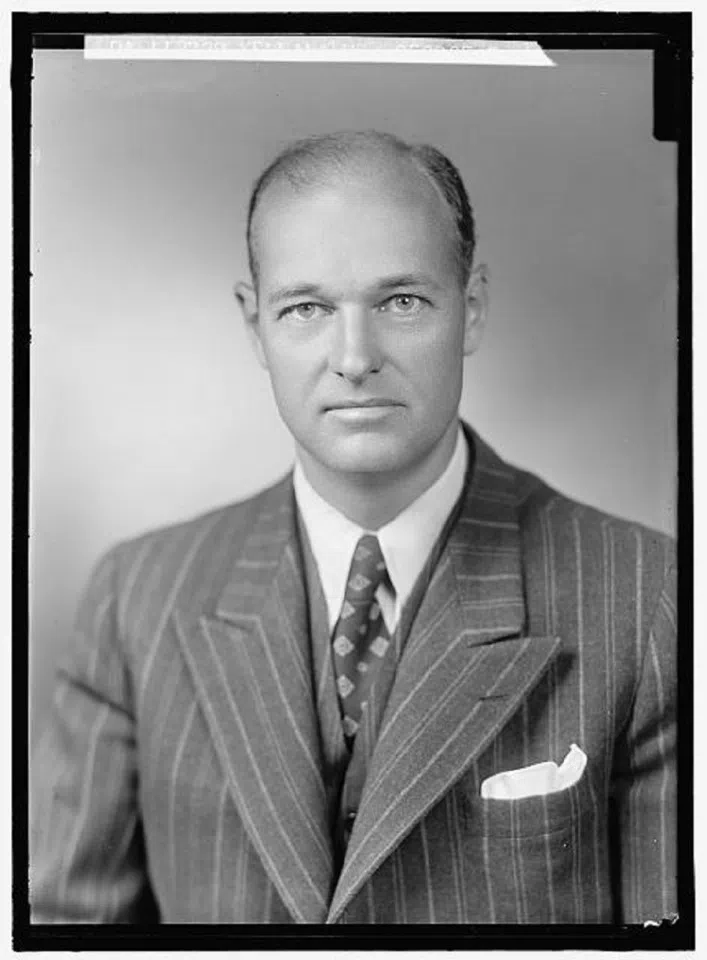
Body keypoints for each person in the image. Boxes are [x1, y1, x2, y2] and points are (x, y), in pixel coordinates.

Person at [30, 130, 676, 925]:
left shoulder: (650, 597)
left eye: (400, 302)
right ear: (253, 325)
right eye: (306, 308)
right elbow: (64, 929)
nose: (354, 356)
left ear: (469, 310)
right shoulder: (136, 597)